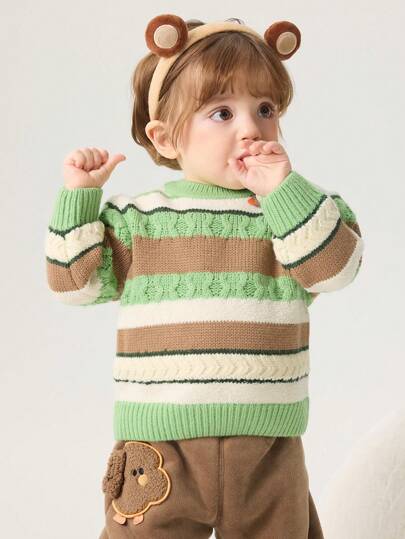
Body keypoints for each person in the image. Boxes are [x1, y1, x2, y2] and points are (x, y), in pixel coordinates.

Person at [45, 14, 364, 539]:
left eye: (266, 109)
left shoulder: (294, 210)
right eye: (222, 112)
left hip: (268, 447)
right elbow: (73, 285)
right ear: (166, 138)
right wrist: (79, 197)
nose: (251, 128)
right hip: (159, 450)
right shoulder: (139, 219)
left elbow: (336, 271)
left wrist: (285, 191)